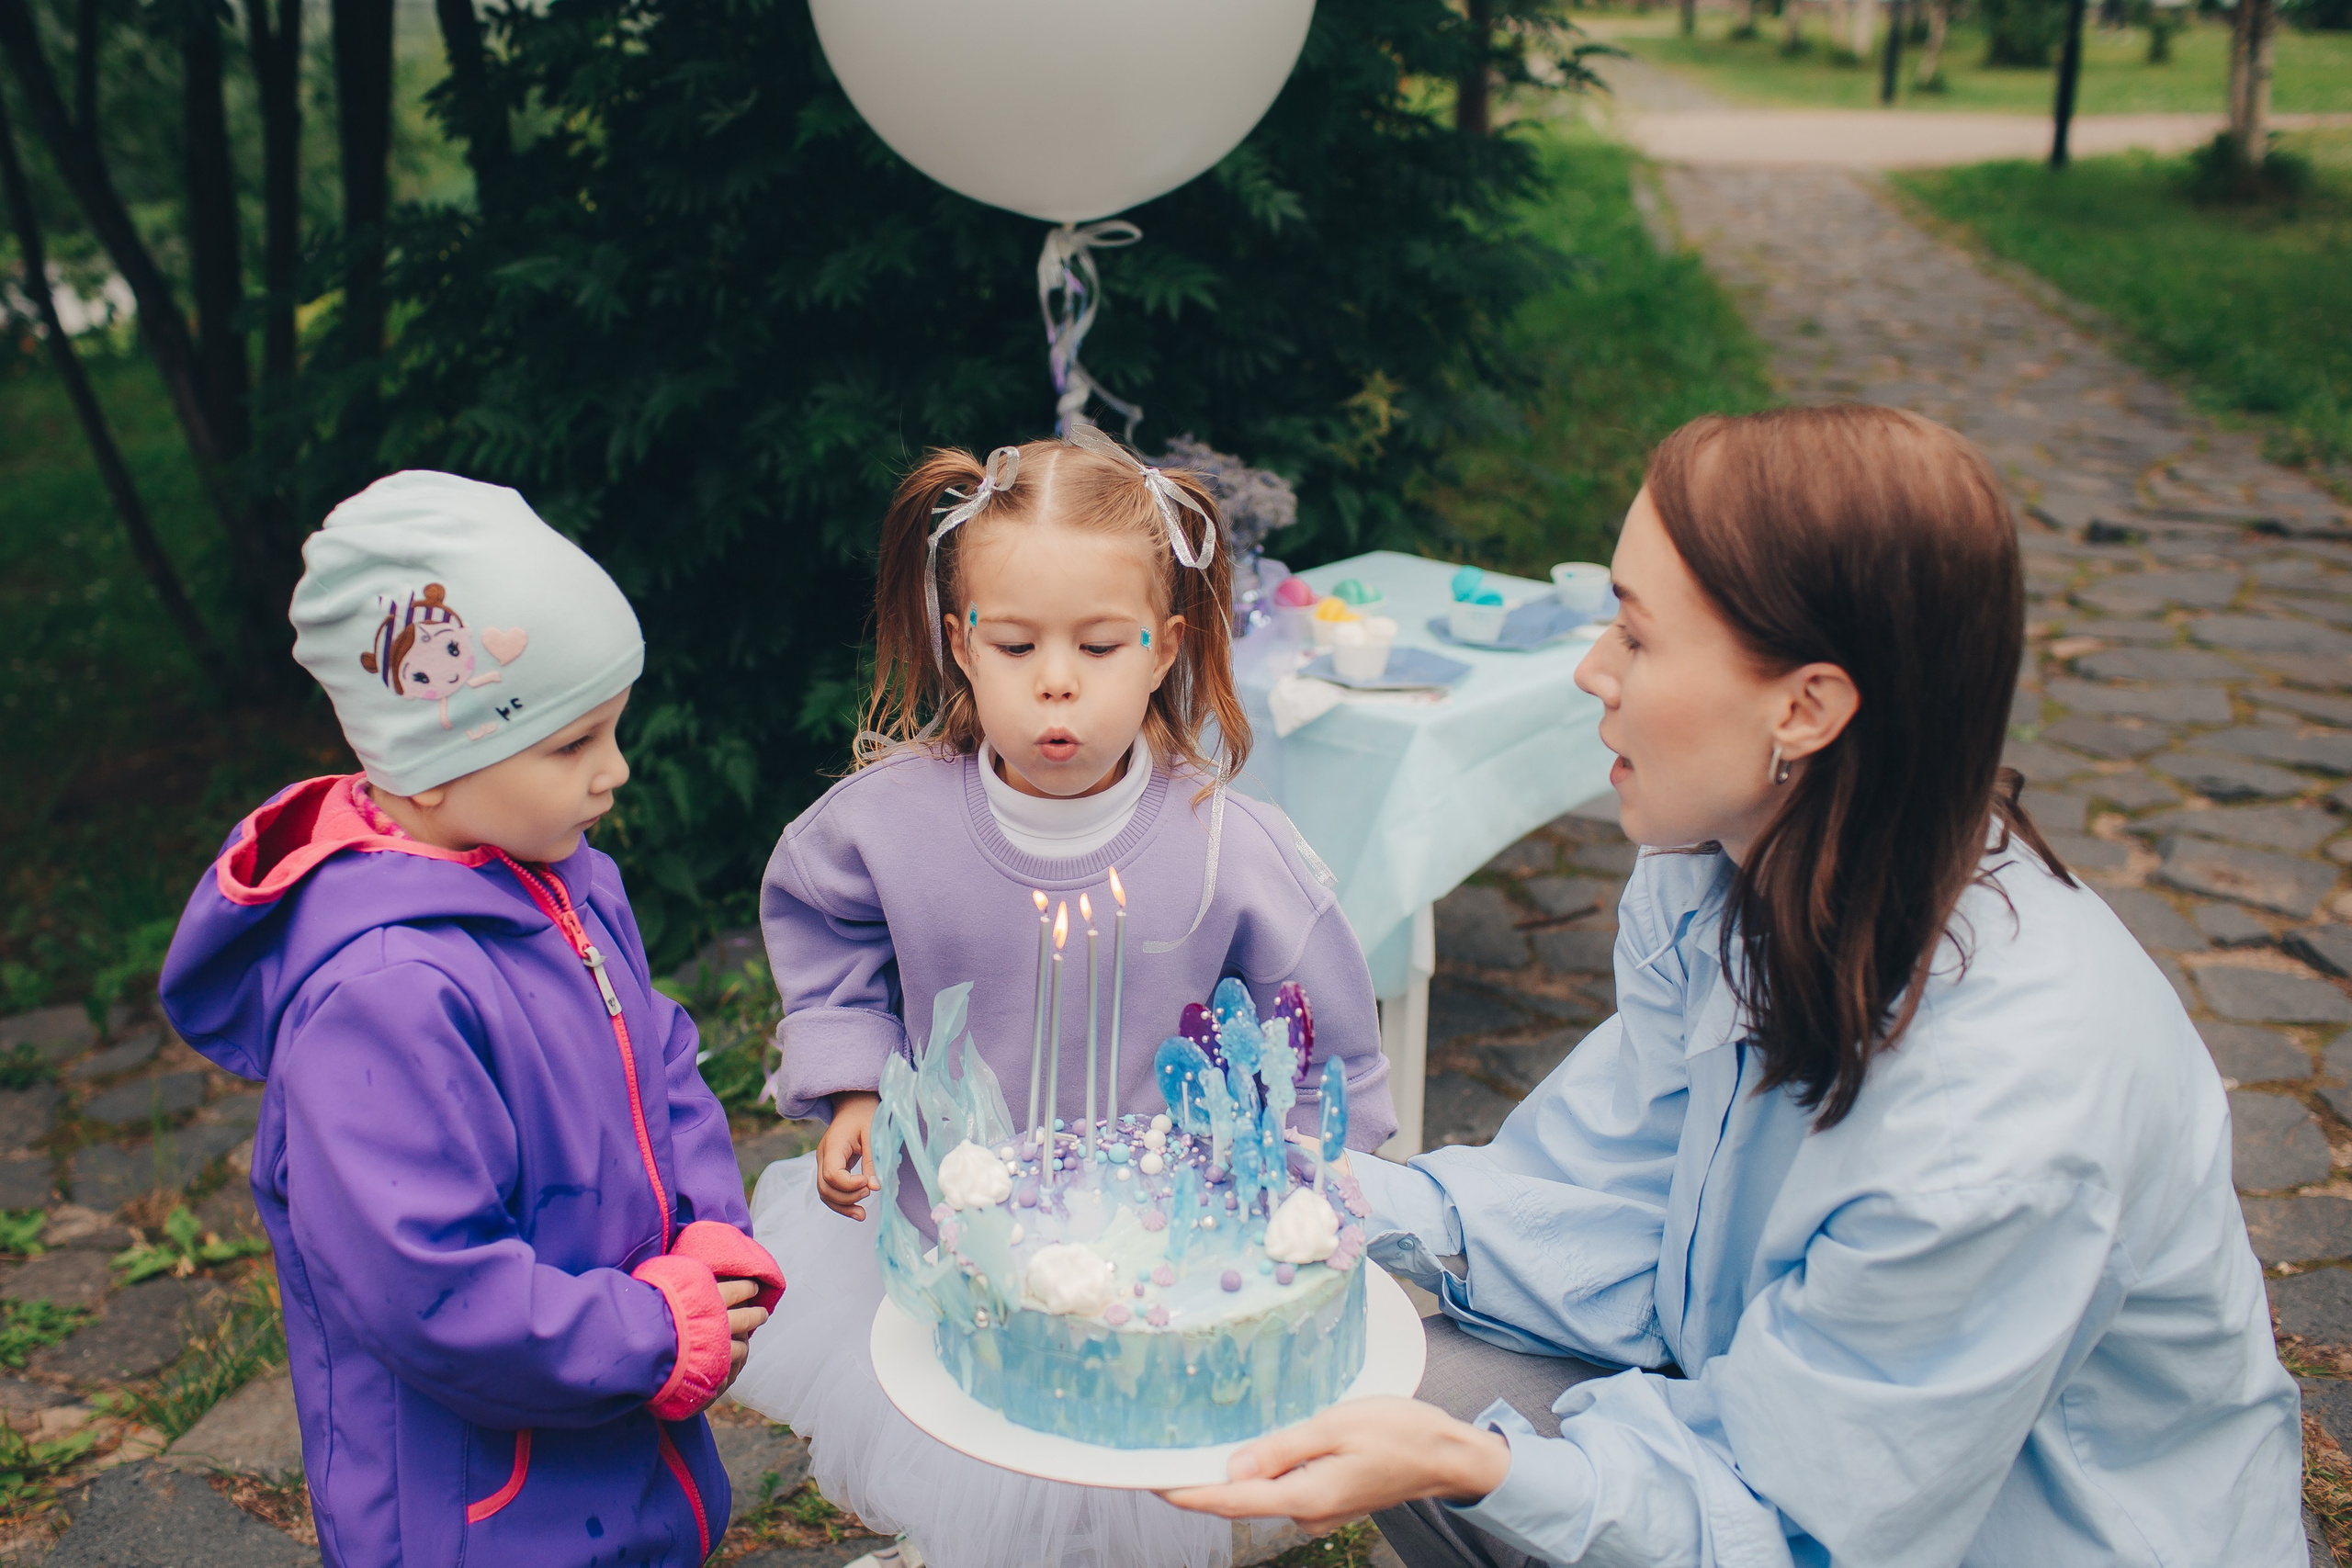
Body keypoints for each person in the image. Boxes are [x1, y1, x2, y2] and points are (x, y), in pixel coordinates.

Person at [1164, 405, 2304, 1565]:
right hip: (1769, 1418)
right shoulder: (1723, 872)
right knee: (1391, 1377)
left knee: (1450, 1446)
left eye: (1638, 635)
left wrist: (1487, 1469)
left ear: (1803, 708)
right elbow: (1609, 1202)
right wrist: (1321, 1196)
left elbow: (1808, 1529)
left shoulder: (1999, 1116)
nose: (1590, 671)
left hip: (2004, 1537)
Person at [730, 427, 1398, 1568]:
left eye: (1097, 645)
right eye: (1015, 643)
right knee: (973, 1455)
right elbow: (821, 923)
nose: (1054, 679)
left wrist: (1304, 1190)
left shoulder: (1228, 848)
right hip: (958, 1235)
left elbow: (1326, 1048)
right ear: (958, 644)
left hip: (1163, 1274)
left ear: (1164, 648)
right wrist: (850, 1083)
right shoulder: (887, 823)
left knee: (1112, 1490)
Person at [160, 471, 785, 1568]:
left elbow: (662, 1054)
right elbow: (430, 1287)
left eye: (613, 730)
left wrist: (709, 1229)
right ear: (432, 764)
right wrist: (651, 1332)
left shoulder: (567, 878)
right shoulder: (383, 995)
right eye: (571, 744)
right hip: (483, 1514)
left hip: (617, 1450)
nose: (615, 771)